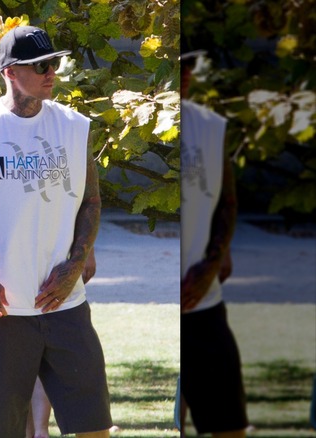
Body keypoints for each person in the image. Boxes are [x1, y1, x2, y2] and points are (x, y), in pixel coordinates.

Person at [0, 25, 112, 437]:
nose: (50, 72)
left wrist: (75, 263)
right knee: (4, 429)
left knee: (94, 426)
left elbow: (91, 201)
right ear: (9, 72)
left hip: (65, 305)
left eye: (53, 63)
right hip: (3, 309)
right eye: (39, 66)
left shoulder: (76, 127)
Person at [180, 51, 248, 437]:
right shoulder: (140, 132)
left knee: (228, 424)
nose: (185, 73)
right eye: (177, 64)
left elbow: (227, 203)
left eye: (189, 64)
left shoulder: (211, 127)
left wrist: (210, 266)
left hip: (201, 300)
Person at [26, 248, 96, 438]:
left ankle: (40, 431)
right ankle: (34, 432)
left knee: (44, 355)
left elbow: (84, 217)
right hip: (13, 272)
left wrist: (88, 254)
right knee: (24, 359)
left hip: (57, 272)